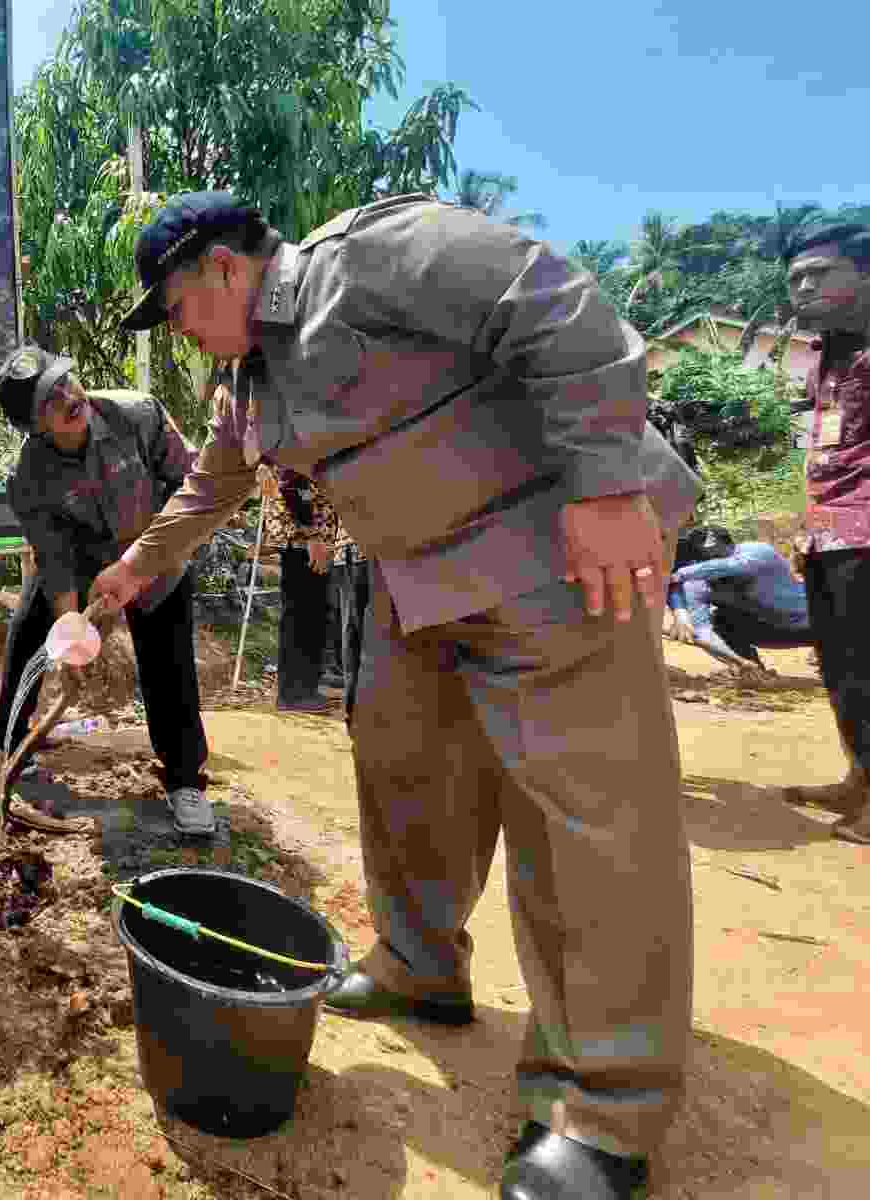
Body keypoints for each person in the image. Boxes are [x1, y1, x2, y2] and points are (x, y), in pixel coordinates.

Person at [93, 192, 702, 1200]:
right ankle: (422, 965)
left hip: (551, 552)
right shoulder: (244, 389)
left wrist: (602, 487)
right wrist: (129, 570)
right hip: (414, 586)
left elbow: (550, 301)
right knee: (401, 765)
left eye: (177, 309)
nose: (182, 333)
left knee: (584, 823)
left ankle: (602, 1107)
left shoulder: (368, 258)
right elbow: (209, 488)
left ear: (220, 270)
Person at [0, 347, 214, 835]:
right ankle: (8, 743)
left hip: (152, 554)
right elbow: (54, 560)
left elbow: (191, 486)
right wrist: (71, 623)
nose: (67, 396)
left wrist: (145, 562)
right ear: (35, 427)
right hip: (81, 564)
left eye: (65, 381)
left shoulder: (138, 415)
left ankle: (185, 779)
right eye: (48, 399)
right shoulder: (30, 474)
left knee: (169, 666)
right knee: (30, 633)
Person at [779, 224, 870, 842]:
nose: (803, 286)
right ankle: (862, 776)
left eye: (819, 273)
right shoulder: (820, 353)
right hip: (828, 531)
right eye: (794, 279)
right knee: (841, 665)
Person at [665, 525, 811, 673]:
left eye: (717, 552)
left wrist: (679, 574)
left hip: (816, 622)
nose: (711, 557)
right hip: (775, 630)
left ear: (730, 545)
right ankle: (754, 672)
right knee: (721, 619)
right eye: (703, 555)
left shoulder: (758, 552)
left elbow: (735, 565)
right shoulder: (698, 585)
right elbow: (703, 632)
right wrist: (736, 660)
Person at [259, 461, 341, 712]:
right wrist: (313, 537)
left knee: (311, 616)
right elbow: (295, 491)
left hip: (308, 541)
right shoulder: (295, 450)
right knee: (302, 617)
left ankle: (304, 688)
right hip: (303, 543)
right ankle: (294, 694)